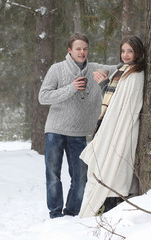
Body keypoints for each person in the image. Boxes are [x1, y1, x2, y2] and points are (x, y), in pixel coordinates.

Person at [38, 32, 116, 219]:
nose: (82, 52)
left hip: (79, 132)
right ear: (70, 50)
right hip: (55, 130)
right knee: (53, 175)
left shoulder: (95, 69)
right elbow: (43, 97)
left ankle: (71, 214)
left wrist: (134, 61)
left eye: (85, 49)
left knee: (80, 178)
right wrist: (71, 88)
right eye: (78, 49)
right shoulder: (57, 69)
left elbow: (119, 68)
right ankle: (55, 215)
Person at [78, 35, 146, 218]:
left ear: (137, 52)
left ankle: (108, 206)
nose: (125, 55)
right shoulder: (122, 71)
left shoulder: (136, 74)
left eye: (130, 51)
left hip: (119, 127)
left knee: (113, 166)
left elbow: (126, 105)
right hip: (107, 122)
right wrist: (103, 84)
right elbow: (114, 99)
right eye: (123, 51)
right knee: (99, 164)